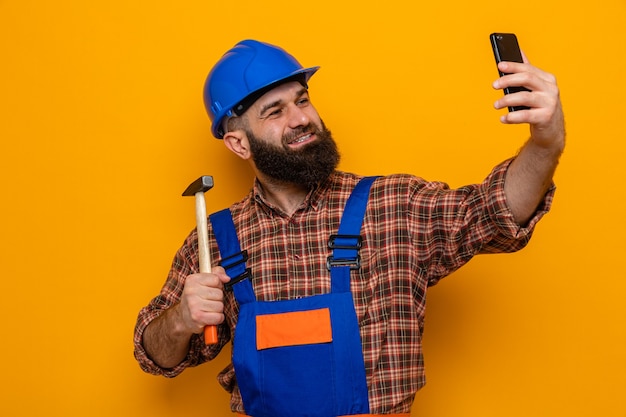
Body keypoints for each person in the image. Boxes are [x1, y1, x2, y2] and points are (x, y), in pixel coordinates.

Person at [134, 39, 565, 416]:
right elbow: (151, 354)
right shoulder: (213, 241)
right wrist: (180, 321)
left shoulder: (392, 206)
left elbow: (494, 210)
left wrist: (546, 141)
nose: (301, 118)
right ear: (239, 143)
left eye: (302, 100)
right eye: (275, 111)